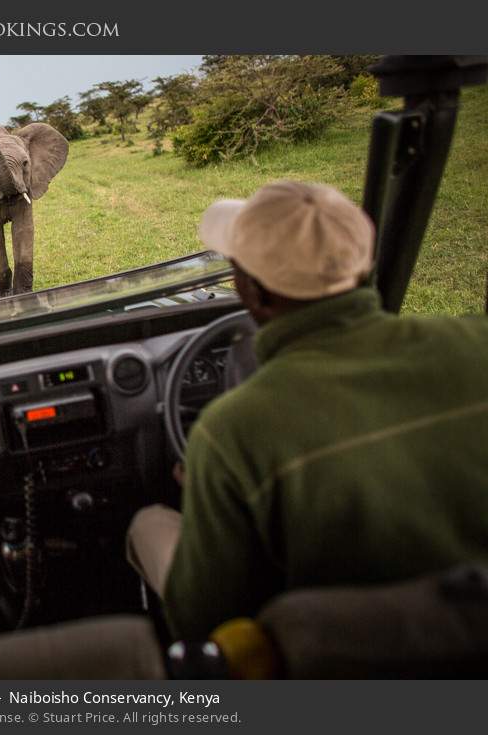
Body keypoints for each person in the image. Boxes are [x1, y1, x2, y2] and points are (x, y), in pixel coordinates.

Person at [128, 180, 488, 641]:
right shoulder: (477, 342)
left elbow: (208, 621)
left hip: (343, 661)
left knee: (148, 523)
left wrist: (208, 486)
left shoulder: (232, 430)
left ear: (251, 291)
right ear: (363, 262)